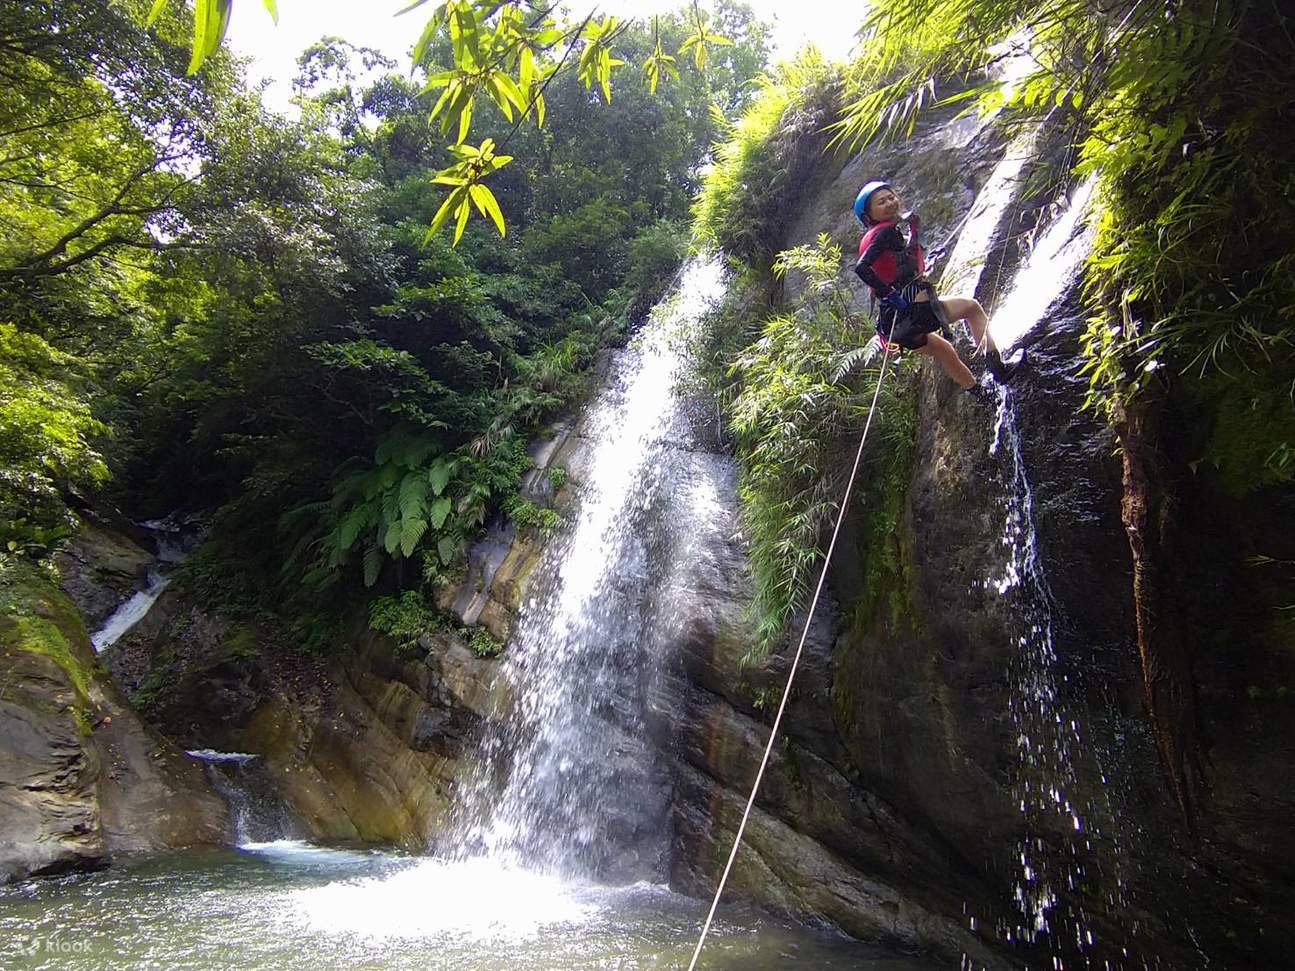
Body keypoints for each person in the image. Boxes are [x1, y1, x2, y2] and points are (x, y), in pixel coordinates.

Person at [851, 180, 1021, 391]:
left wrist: (924, 262)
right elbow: (862, 268)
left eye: (891, 197)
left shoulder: (881, 235)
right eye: (881, 202)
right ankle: (1000, 370)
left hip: (894, 327)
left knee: (944, 350)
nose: (890, 203)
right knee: (972, 308)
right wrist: (890, 294)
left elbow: (897, 267)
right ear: (869, 216)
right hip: (914, 311)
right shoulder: (884, 234)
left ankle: (980, 395)